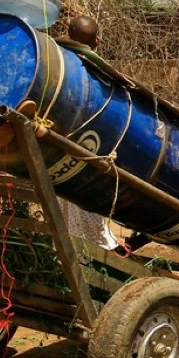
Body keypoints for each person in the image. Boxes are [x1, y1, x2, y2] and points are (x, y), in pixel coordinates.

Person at [60, 16, 118, 251]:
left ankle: (72, 247)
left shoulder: (59, 64)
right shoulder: (99, 71)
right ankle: (99, 251)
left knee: (65, 201)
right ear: (97, 40)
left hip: (59, 148)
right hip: (90, 145)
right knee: (89, 205)